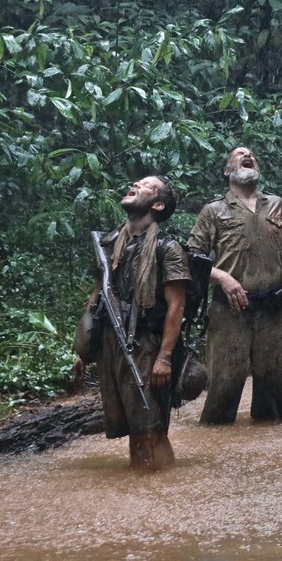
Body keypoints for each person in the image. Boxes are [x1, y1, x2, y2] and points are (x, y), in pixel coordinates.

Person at [188, 147, 282, 425]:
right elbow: (192, 259)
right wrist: (223, 278)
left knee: (274, 395)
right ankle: (216, 449)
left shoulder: (276, 204)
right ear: (227, 171)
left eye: (251, 154)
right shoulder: (213, 210)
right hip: (230, 312)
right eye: (238, 154)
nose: (247, 155)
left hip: (273, 311)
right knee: (223, 388)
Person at [72, 176, 189, 470]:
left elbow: (177, 306)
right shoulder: (111, 243)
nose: (136, 183)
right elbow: (99, 295)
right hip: (112, 345)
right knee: (134, 428)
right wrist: (83, 348)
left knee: (150, 426)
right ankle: (144, 480)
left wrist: (164, 358)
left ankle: (162, 484)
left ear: (158, 204)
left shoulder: (168, 248)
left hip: (146, 344)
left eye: (147, 184)